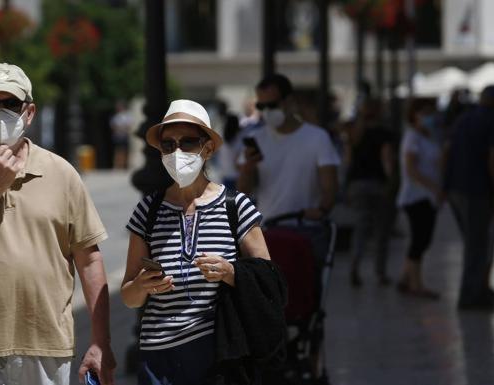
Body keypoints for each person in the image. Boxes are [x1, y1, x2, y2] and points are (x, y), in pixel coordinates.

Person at [0, 63, 116, 385]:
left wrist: (100, 342)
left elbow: (89, 259)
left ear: (29, 112)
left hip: (46, 348)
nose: (1, 113)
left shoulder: (62, 173)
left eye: (11, 104)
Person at [120, 99, 274, 385]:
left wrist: (231, 272)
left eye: (188, 142)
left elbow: (268, 281)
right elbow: (129, 297)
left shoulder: (236, 206)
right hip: (159, 360)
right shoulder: (148, 211)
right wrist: (141, 286)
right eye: (168, 145)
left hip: (217, 355)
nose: (177, 152)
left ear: (208, 147)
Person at [236, 73, 340, 223]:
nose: (266, 111)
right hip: (268, 228)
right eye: (261, 106)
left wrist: (322, 211)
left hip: (306, 229)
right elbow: (243, 192)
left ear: (289, 101)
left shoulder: (318, 138)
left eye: (272, 105)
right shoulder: (256, 138)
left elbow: (330, 186)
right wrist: (248, 167)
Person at [444, 84, 494, 310]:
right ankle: (471, 297)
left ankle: (479, 291)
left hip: (456, 189)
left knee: (474, 243)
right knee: (477, 245)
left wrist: (445, 185)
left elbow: (447, 150)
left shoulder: (463, 120)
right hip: (478, 191)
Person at [344, 98, 396, 286]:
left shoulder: (354, 133)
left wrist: (346, 186)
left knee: (361, 229)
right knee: (381, 231)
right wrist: (391, 182)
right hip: (378, 185)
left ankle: (355, 267)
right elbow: (387, 159)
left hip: (357, 185)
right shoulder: (384, 134)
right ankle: (380, 273)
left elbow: (348, 162)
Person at [395, 101, 443, 298]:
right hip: (416, 196)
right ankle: (416, 284)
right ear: (414, 115)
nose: (429, 117)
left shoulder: (428, 137)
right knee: (420, 239)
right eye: (424, 113)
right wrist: (433, 187)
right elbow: (410, 169)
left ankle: (406, 277)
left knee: (423, 238)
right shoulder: (412, 137)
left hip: (427, 196)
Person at [109, 101, 134, 169]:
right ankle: (118, 165)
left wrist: (121, 128)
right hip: (118, 136)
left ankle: (125, 164)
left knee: (126, 151)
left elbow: (129, 126)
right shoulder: (115, 117)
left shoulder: (126, 116)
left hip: (124, 136)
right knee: (118, 151)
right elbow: (113, 127)